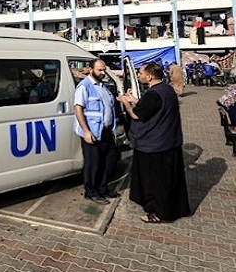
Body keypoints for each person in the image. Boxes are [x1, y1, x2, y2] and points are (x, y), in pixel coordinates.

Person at [117, 62, 191, 223]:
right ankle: (171, 209)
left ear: (149, 77)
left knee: (156, 182)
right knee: (169, 180)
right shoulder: (167, 89)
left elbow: (137, 115)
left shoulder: (153, 94)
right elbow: (151, 107)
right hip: (169, 142)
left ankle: (158, 213)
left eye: (140, 73)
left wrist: (125, 103)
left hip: (155, 145)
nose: (139, 76)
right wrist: (136, 100)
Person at [73, 58, 119, 205]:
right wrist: (86, 131)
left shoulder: (102, 86)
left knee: (110, 160)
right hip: (92, 132)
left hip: (106, 131)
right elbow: (78, 109)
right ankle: (91, 192)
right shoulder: (84, 86)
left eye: (104, 70)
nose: (103, 72)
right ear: (91, 70)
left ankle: (102, 188)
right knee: (93, 164)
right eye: (100, 70)